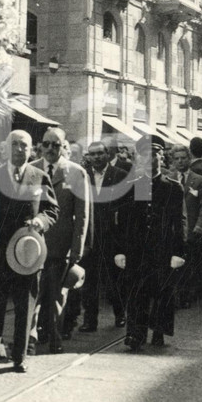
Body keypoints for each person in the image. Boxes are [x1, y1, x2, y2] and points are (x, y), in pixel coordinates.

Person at [0, 130, 58, 375]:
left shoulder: (39, 177)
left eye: (25, 146)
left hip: (28, 253)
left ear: (32, 149)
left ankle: (20, 357)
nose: (20, 150)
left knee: (25, 306)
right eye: (16, 145)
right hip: (0, 253)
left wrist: (40, 222)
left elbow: (52, 211)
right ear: (6, 148)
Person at [113, 134, 186, 350]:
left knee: (162, 291)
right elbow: (123, 222)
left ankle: (159, 331)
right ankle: (136, 333)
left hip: (162, 248)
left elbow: (178, 221)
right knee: (137, 291)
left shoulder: (172, 187)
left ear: (162, 158)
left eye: (155, 155)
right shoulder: (134, 186)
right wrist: (121, 251)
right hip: (138, 249)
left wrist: (178, 251)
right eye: (145, 155)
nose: (150, 159)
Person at [30, 127, 89, 352]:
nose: (51, 149)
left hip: (60, 245)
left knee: (56, 296)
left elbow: (83, 214)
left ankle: (55, 339)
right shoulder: (32, 169)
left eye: (56, 145)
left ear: (64, 147)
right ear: (40, 146)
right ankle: (30, 339)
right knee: (32, 295)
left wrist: (77, 247)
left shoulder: (76, 172)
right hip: (32, 244)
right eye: (46, 144)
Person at [78, 140, 128, 332]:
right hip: (90, 236)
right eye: (92, 154)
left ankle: (120, 314)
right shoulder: (83, 176)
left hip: (112, 237)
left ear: (107, 154)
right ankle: (90, 321)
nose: (96, 157)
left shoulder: (120, 176)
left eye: (100, 153)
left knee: (114, 279)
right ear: (88, 157)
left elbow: (125, 210)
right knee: (89, 280)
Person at [168, 144, 202, 307]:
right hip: (171, 228)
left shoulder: (199, 180)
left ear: (189, 159)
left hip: (191, 227)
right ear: (172, 160)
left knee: (188, 262)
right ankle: (172, 295)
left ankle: (185, 295)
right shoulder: (168, 177)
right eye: (177, 159)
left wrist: (199, 226)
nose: (180, 161)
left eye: (183, 158)